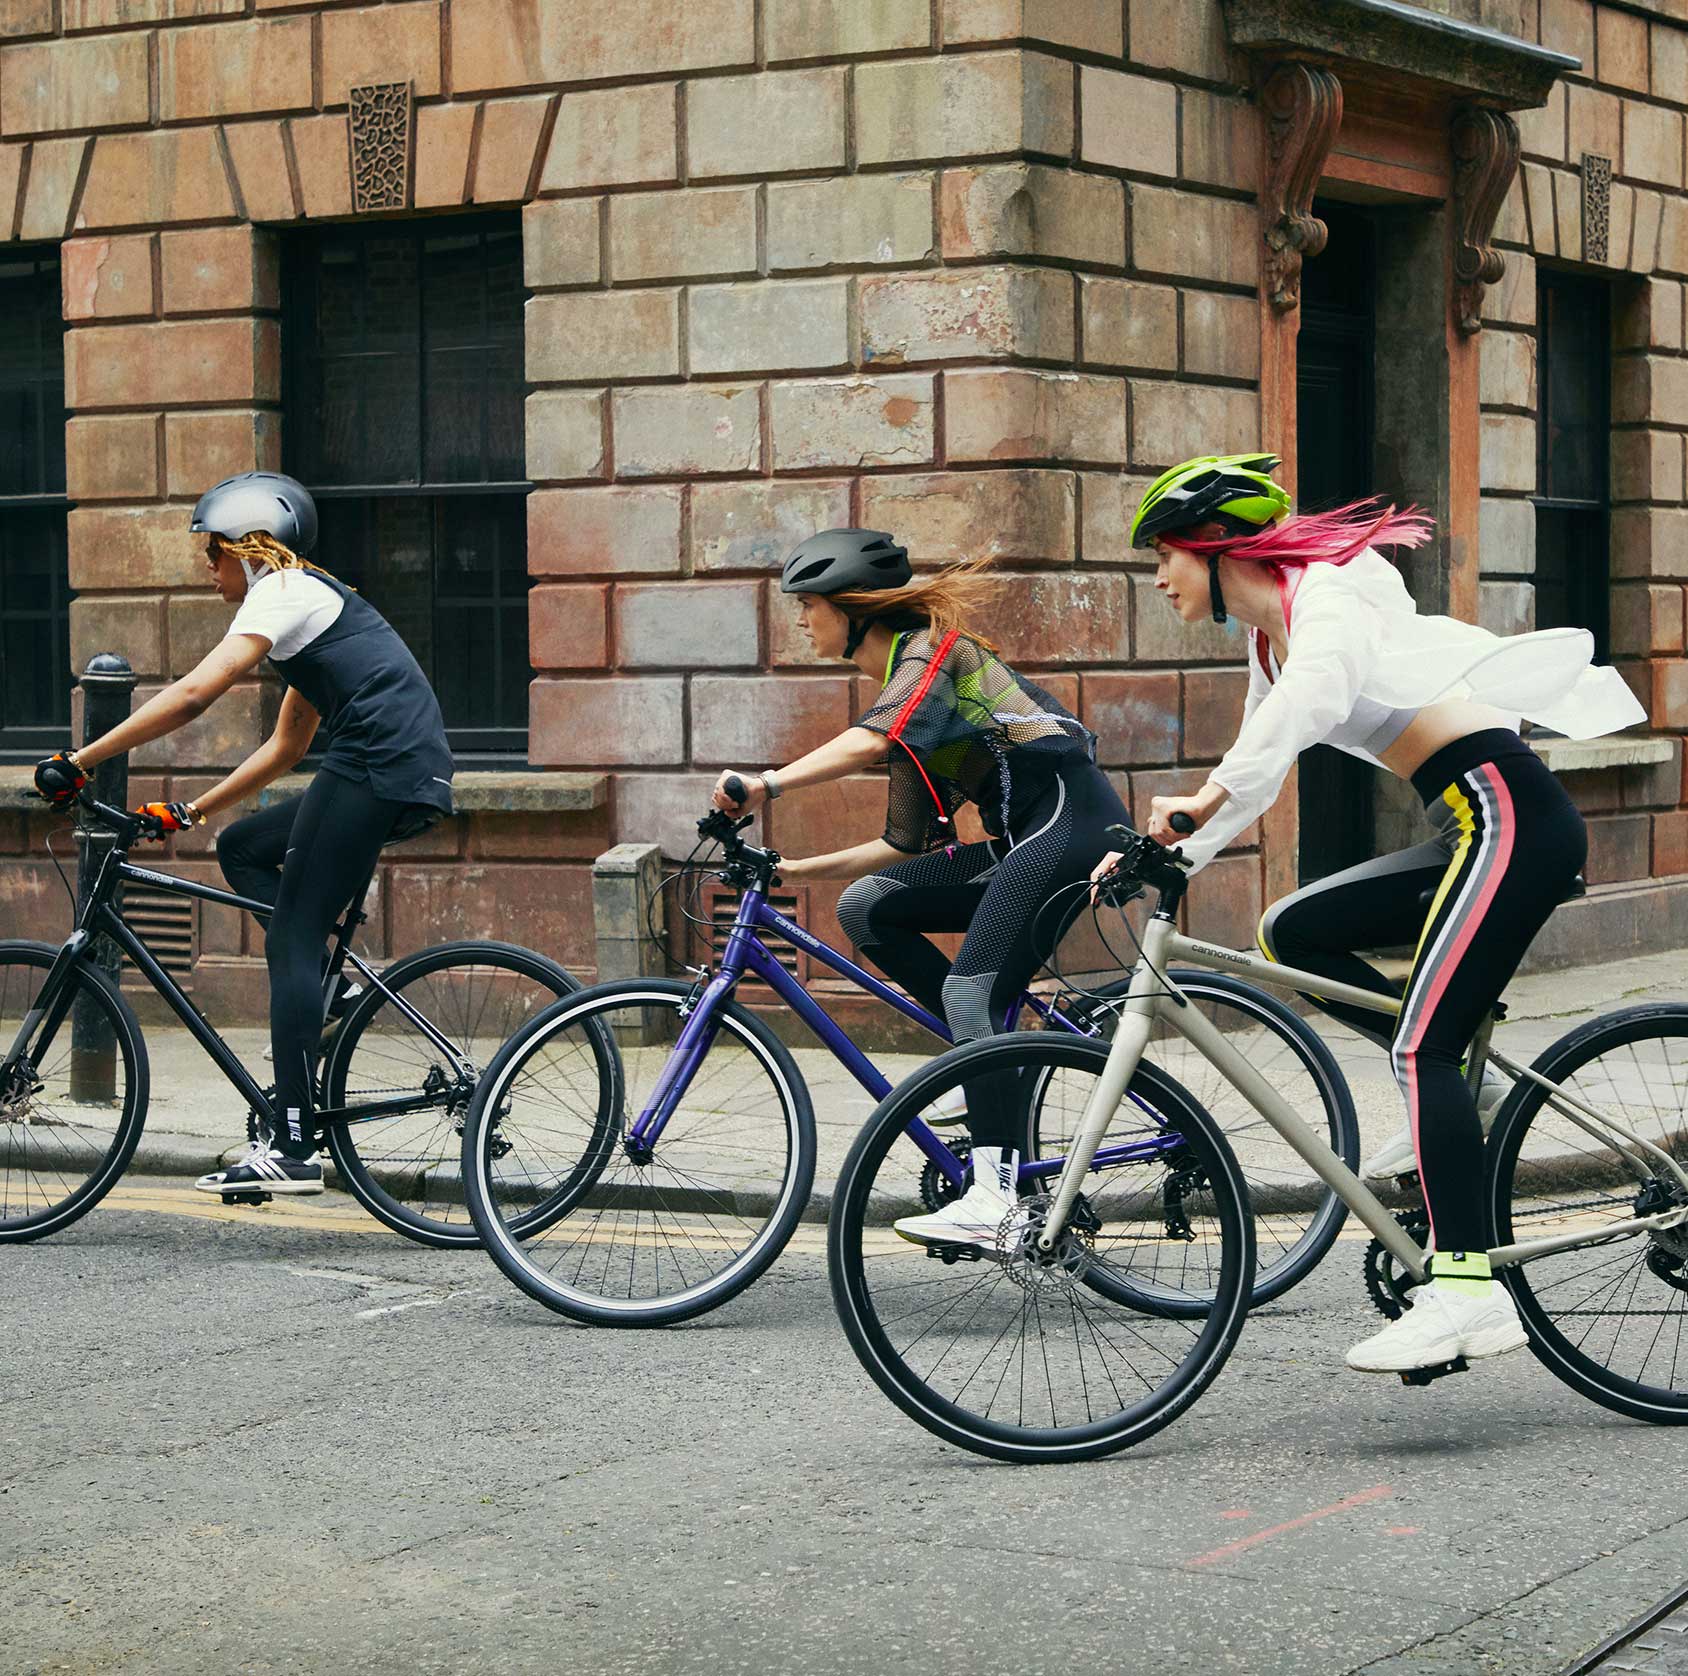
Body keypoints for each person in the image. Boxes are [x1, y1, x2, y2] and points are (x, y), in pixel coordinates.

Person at [1097, 452, 1644, 1375]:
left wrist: (1204, 793)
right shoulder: (1269, 637)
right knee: (1290, 932)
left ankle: (1469, 1293)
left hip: (1510, 815)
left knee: (1419, 1046)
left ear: (1217, 546)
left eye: (1165, 556)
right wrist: (1171, 850)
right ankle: (1475, 1089)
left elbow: (1308, 706)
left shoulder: (1331, 598)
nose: (1157, 577)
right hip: (1465, 820)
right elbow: (1259, 761)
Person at [34, 472, 453, 1197]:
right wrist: (191, 813)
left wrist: (79, 761)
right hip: (391, 766)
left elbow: (196, 692)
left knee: (288, 939)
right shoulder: (311, 607)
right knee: (243, 849)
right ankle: (327, 998)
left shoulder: (284, 593)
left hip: (377, 765)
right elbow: (286, 748)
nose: (208, 568)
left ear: (252, 547)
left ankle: (293, 1147)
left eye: (213, 552)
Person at [710, 528, 1131, 1247]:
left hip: (1070, 824)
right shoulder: (910, 703)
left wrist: (765, 784)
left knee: (970, 992)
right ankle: (993, 1065)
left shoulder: (934, 654)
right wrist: (796, 872)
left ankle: (998, 1197)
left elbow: (873, 740)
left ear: (854, 609)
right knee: (869, 906)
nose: (802, 620)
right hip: (1019, 842)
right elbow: (904, 843)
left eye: (809, 605)